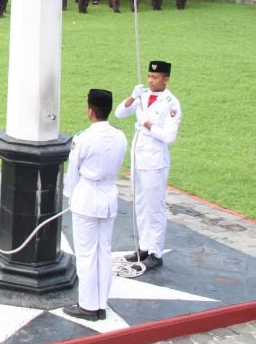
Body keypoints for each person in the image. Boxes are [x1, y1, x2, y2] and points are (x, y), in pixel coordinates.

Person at [63, 89, 127, 322]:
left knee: (86, 254)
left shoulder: (83, 138)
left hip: (87, 197)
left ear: (90, 111)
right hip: (108, 195)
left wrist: (70, 196)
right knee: (103, 252)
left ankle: (88, 305)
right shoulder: (120, 136)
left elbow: (73, 172)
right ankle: (100, 303)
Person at [115, 60, 182, 271]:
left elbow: (169, 137)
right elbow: (119, 113)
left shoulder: (171, 103)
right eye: (149, 76)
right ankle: (144, 246)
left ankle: (156, 252)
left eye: (155, 77)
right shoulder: (143, 96)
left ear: (166, 79)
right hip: (138, 157)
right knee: (141, 205)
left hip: (155, 161)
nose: (151, 80)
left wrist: (146, 123)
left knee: (155, 208)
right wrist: (132, 96)